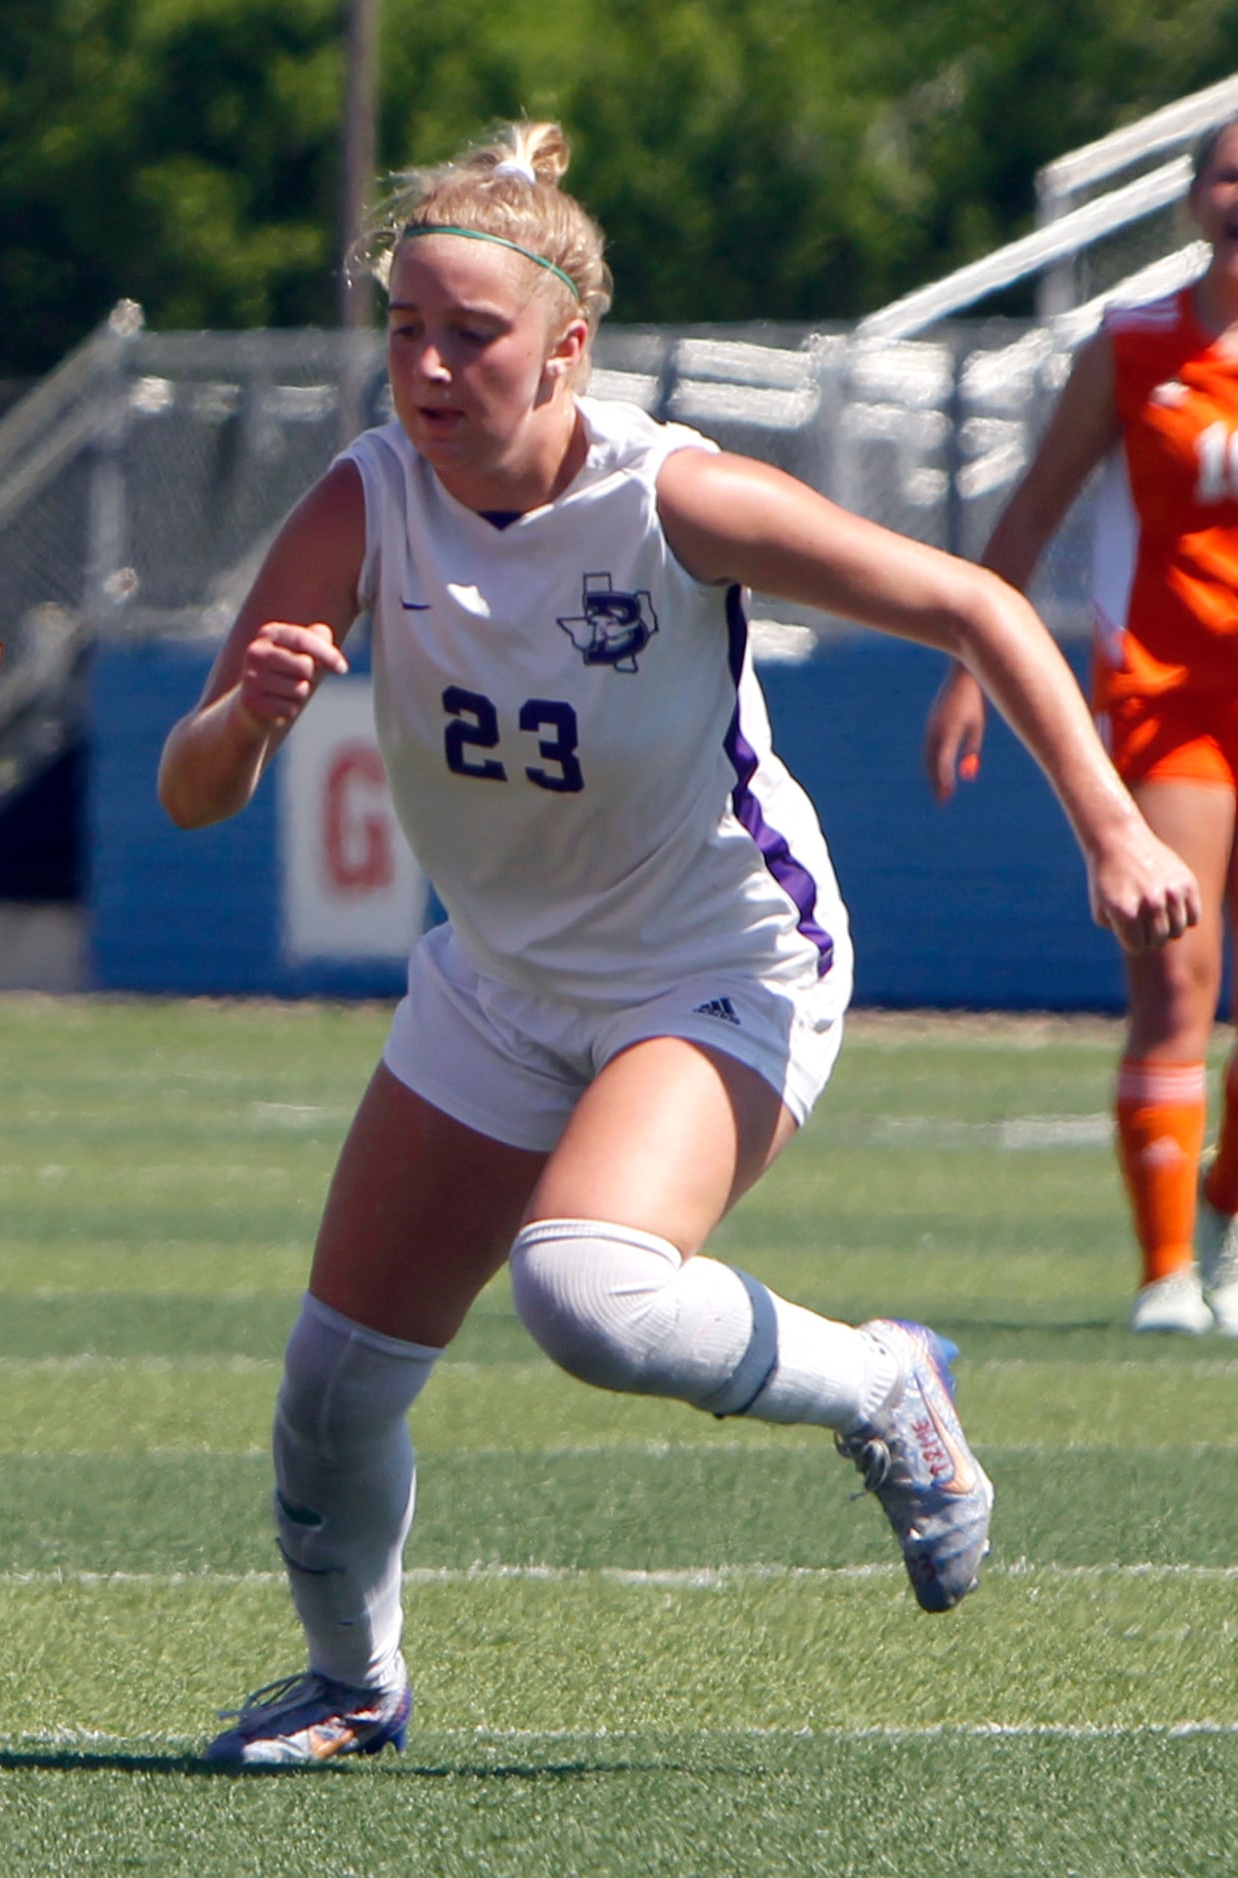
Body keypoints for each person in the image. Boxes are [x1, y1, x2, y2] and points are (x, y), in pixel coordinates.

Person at [157, 124, 1197, 1765]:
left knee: (585, 1290)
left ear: (566, 350)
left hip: (719, 961)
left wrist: (1113, 826)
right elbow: (193, 793)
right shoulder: (363, 500)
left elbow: (977, 609)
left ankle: (881, 1383)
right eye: (404, 332)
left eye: (468, 337)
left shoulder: (674, 494)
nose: (424, 369)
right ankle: (353, 1686)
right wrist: (244, 714)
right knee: (331, 1386)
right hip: (500, 979)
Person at [924, 116, 1238, 1337]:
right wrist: (965, 674)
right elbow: (1027, 517)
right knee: (1175, 975)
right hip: (1170, 700)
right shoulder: (1131, 349)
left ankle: (1222, 1212)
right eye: (1222, 173)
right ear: (1188, 200)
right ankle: (1165, 1273)